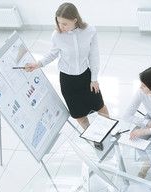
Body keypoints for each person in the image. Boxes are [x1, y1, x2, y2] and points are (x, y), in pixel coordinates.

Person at [25, 3, 109, 150]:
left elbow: (94, 55)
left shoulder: (90, 31)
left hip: (86, 77)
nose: (60, 26)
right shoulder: (57, 35)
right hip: (68, 81)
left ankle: (108, 130)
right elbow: (52, 53)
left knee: (100, 106)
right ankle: (95, 137)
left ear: (75, 20)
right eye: (58, 22)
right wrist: (38, 64)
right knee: (79, 114)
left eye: (64, 23)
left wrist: (94, 78)